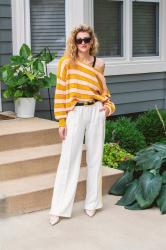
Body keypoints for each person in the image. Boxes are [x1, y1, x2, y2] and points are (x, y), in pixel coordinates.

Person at [49, 24, 116, 225]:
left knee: (95, 157)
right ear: (74, 42)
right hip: (74, 112)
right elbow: (60, 93)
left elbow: (104, 91)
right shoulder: (66, 63)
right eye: (79, 40)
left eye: (87, 39)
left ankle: (92, 203)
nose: (83, 43)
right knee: (69, 159)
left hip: (95, 110)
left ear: (92, 41)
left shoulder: (99, 63)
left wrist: (108, 107)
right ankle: (59, 208)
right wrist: (61, 120)